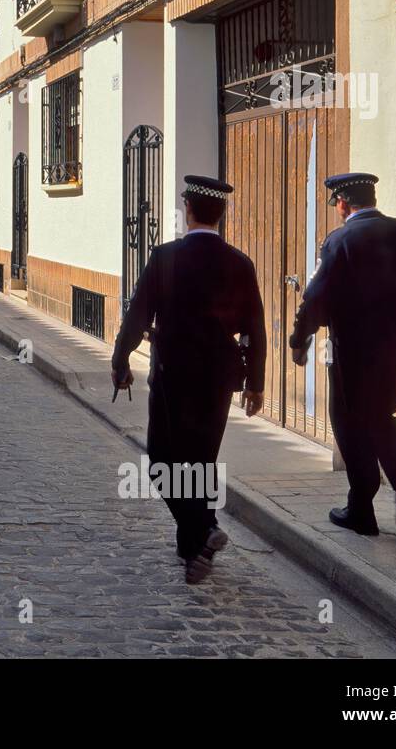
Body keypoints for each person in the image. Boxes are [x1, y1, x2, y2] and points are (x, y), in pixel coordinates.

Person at [111, 176, 266, 585]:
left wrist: (120, 360)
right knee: (199, 459)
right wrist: (256, 383)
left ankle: (204, 529)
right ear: (221, 213)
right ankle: (192, 545)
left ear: (188, 210)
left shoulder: (165, 258)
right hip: (218, 378)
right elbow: (255, 326)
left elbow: (138, 316)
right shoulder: (240, 263)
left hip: (173, 375)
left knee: (163, 461)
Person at [289, 173, 396, 536]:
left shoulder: (340, 239)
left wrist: (300, 339)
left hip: (354, 352)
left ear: (343, 203)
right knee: (381, 414)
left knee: (349, 422)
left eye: (337, 205)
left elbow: (316, 298)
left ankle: (361, 508)